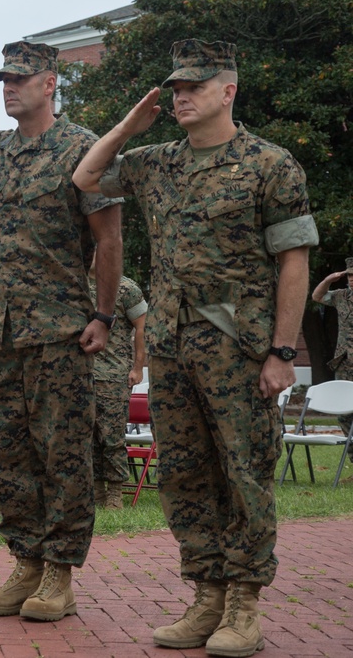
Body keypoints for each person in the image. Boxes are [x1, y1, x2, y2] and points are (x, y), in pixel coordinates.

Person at [73, 39, 318, 656]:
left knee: (244, 472)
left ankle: (243, 603)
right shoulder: (157, 162)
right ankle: (206, 595)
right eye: (176, 88)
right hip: (171, 346)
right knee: (182, 472)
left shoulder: (271, 164)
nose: (181, 96)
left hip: (239, 346)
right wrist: (130, 124)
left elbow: (295, 263)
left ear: (228, 91)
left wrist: (282, 353)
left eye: (195, 87)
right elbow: (86, 175)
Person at [0, 41, 122, 620]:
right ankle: (26, 562)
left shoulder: (84, 149)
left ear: (50, 83)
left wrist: (103, 316)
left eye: (20, 78)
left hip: (60, 326)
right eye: (3, 79)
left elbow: (109, 241)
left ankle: (59, 571)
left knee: (61, 452)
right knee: (1, 450)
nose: (10, 87)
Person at [89, 260, 147, 511]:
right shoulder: (76, 287)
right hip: (81, 376)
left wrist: (137, 367)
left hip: (113, 375)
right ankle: (96, 492)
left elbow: (143, 326)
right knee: (87, 437)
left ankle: (115, 493)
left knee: (111, 437)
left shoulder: (125, 288)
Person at [311, 259, 353, 437]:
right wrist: (328, 280)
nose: (352, 279)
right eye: (350, 275)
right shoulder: (341, 296)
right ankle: (350, 453)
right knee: (344, 411)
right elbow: (317, 297)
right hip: (344, 361)